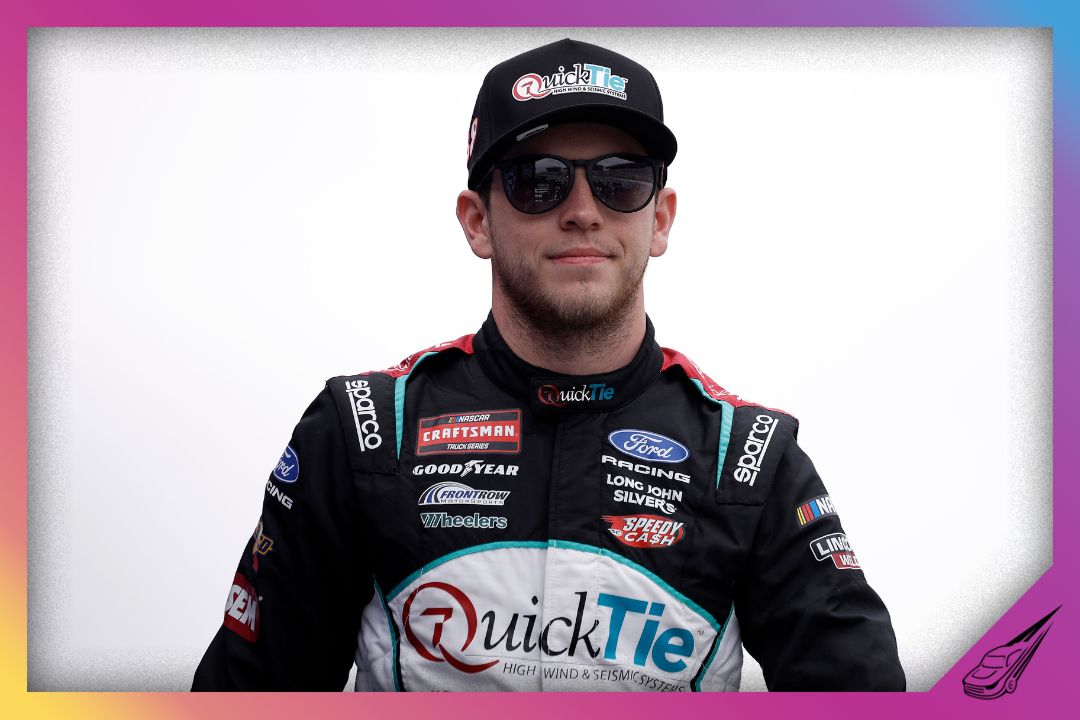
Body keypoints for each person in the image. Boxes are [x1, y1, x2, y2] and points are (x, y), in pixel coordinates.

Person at [192, 38, 905, 692]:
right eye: (540, 180)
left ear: (659, 219)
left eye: (621, 180)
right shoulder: (366, 431)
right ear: (477, 220)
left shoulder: (748, 458)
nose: (584, 211)